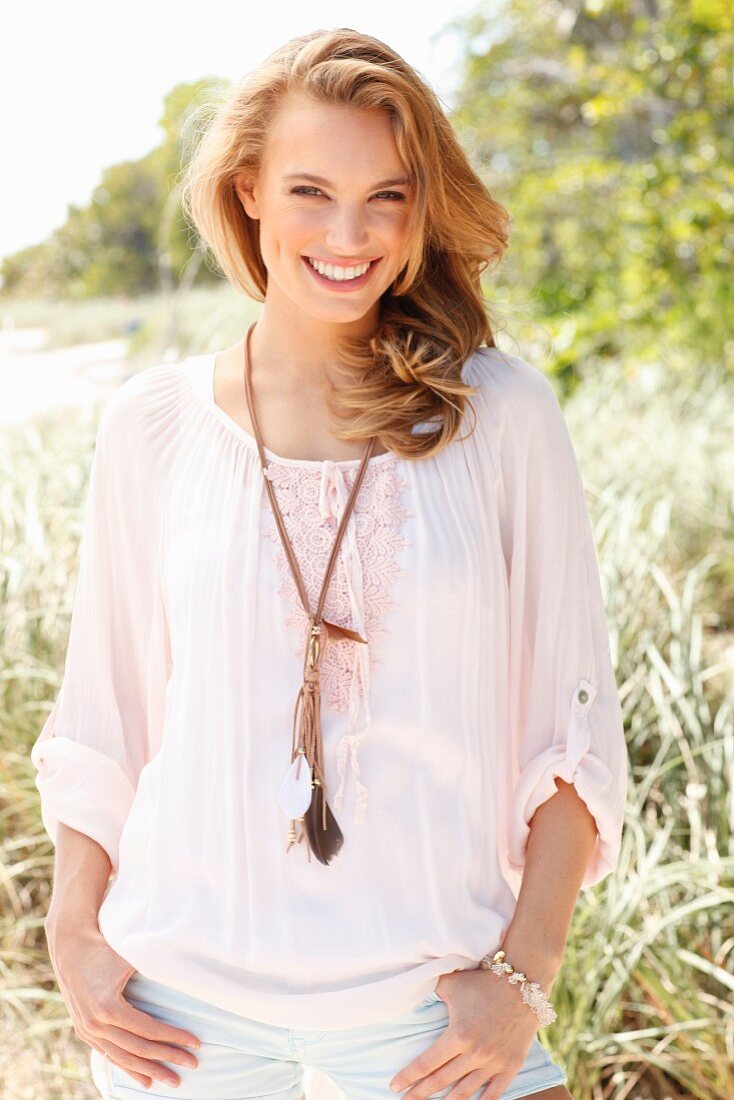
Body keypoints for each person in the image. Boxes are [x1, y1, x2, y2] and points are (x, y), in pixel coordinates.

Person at [31, 27, 629, 1100]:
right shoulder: (150, 425)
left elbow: (571, 728)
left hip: (433, 1015)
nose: (349, 234)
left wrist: (522, 973)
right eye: (310, 191)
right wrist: (72, 932)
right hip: (178, 1022)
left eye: (387, 197)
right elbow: (103, 720)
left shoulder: (498, 416)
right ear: (246, 191)